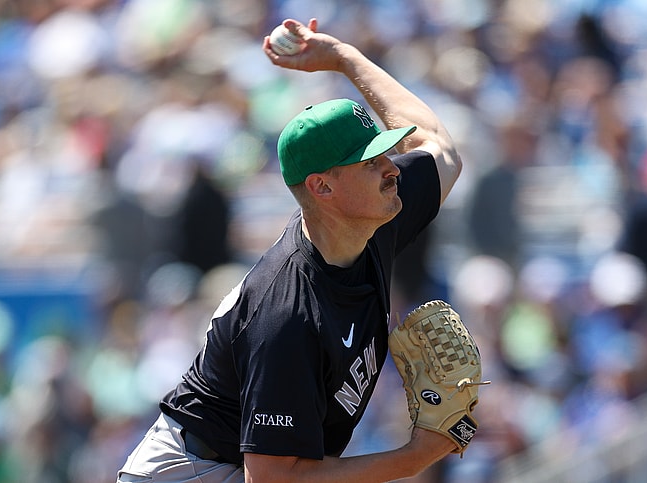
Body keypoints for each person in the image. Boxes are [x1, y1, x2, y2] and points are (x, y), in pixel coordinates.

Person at [116, 17, 464, 483]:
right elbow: (274, 479)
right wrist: (415, 457)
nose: (392, 168)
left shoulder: (374, 218)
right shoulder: (287, 312)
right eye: (370, 161)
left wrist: (344, 59)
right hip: (194, 470)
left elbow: (438, 146)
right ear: (322, 187)